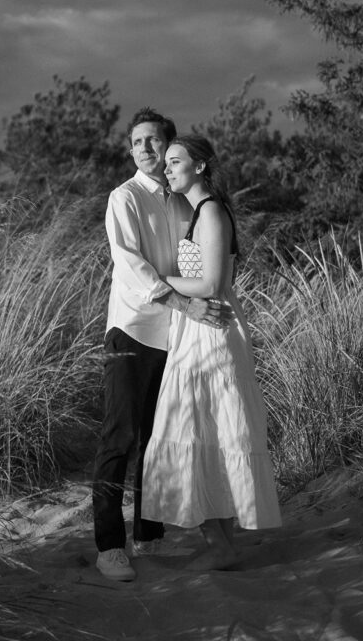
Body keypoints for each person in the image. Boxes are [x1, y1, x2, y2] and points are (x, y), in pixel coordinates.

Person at [92, 110, 232, 582]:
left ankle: (147, 537)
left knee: (158, 438)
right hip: (132, 331)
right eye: (137, 142)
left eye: (154, 141)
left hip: (176, 337)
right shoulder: (124, 197)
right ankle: (109, 546)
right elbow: (129, 264)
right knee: (120, 438)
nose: (145, 149)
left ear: (171, 147)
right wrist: (185, 304)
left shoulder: (184, 202)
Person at [142, 134, 281, 570]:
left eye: (175, 161)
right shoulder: (196, 213)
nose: (167, 169)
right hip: (195, 330)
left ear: (200, 166)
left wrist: (159, 281)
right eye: (165, 163)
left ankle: (222, 547)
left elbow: (214, 285)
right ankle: (220, 544)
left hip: (214, 332)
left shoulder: (213, 212)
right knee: (198, 434)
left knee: (207, 431)